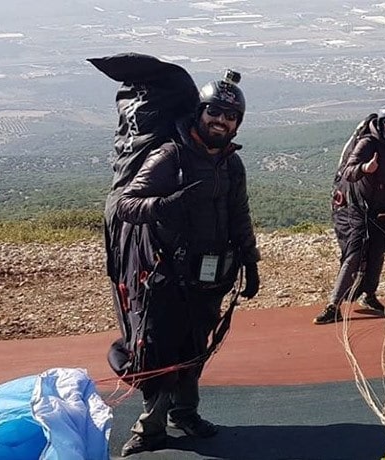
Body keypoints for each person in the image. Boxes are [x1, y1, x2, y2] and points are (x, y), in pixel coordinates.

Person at [115, 70, 261, 456]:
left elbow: (239, 214)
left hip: (211, 273)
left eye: (230, 116)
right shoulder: (170, 156)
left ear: (237, 123)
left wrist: (251, 260)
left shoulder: (231, 165)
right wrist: (165, 205)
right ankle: (150, 428)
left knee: (196, 346)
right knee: (162, 351)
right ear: (200, 112)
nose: (221, 121)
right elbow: (128, 205)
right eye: (215, 112)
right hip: (166, 274)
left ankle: (185, 412)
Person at [313, 103, 385, 324]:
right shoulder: (367, 143)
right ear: (381, 123)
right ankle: (334, 305)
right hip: (357, 209)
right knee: (354, 254)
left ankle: (368, 296)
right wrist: (365, 168)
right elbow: (348, 172)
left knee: (377, 254)